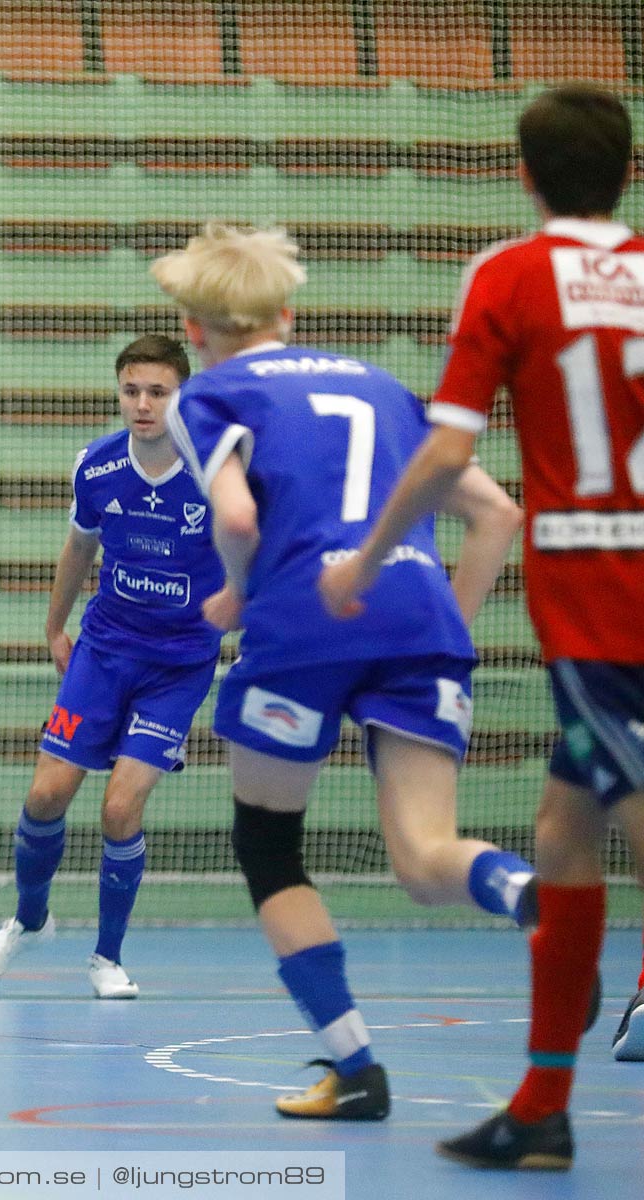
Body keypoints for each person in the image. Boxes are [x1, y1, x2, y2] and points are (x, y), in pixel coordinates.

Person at [320, 85, 644, 1169]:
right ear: (629, 172)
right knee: (563, 837)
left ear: (524, 173)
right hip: (608, 600)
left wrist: (367, 558)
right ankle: (543, 1110)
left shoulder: (510, 275)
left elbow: (451, 453)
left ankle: (544, 1108)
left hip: (605, 595)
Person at [154, 223, 538, 1122]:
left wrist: (239, 600)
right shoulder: (385, 387)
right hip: (418, 621)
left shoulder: (209, 393)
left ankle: (357, 1068)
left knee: (268, 846)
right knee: (425, 857)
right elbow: (497, 516)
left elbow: (239, 519)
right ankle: (528, 894)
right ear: (287, 311)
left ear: (195, 326)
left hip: (303, 623)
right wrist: (442, 628)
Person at [0, 335, 220, 999]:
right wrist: (54, 627)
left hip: (179, 665)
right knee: (46, 794)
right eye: (131, 390)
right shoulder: (98, 466)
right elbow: (78, 549)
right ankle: (28, 918)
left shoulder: (216, 470)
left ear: (181, 395)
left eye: (157, 392)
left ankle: (107, 957)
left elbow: (254, 554)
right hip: (103, 651)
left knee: (119, 808)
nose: (142, 403)